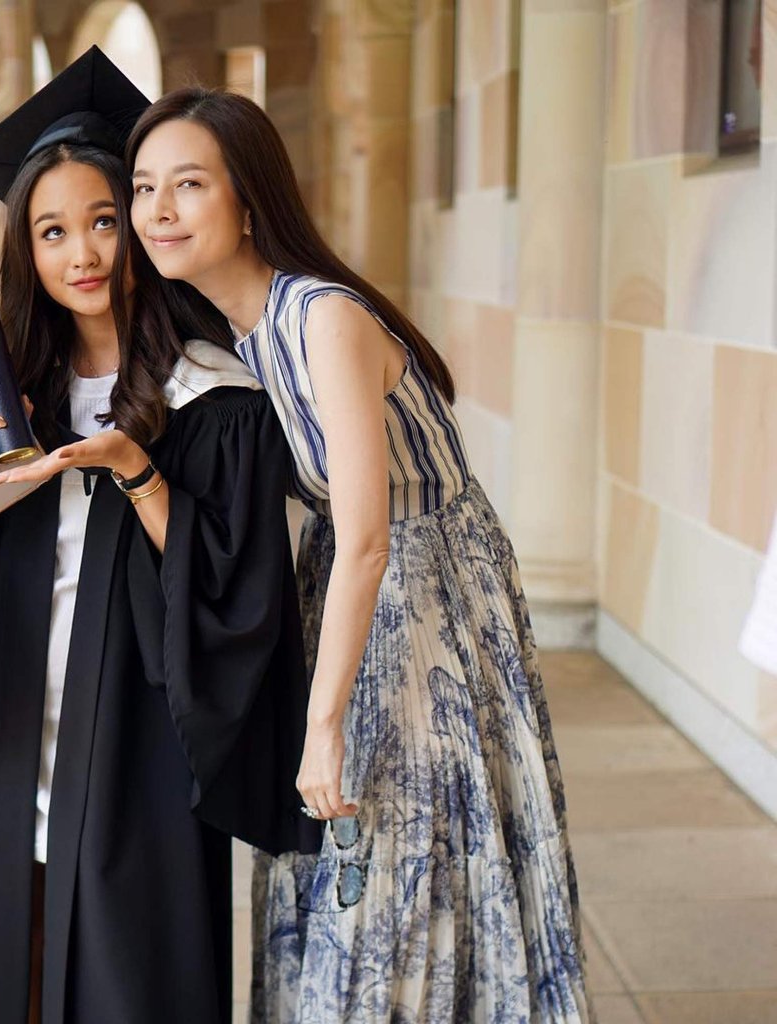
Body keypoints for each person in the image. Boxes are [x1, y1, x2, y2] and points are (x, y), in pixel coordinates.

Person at [125, 90, 594, 1022]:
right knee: (349, 862)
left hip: (425, 599)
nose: (158, 211)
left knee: (400, 854)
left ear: (249, 200)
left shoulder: (321, 317)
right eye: (143, 188)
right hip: (346, 586)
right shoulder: (226, 331)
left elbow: (372, 536)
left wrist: (323, 718)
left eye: (188, 184)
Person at [0, 51, 317, 1024]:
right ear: (23, 250)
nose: (84, 253)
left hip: (129, 753)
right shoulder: (2, 390)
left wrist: (134, 468)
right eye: (53, 230)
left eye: (105, 219)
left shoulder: (212, 398)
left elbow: (239, 603)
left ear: (140, 222)